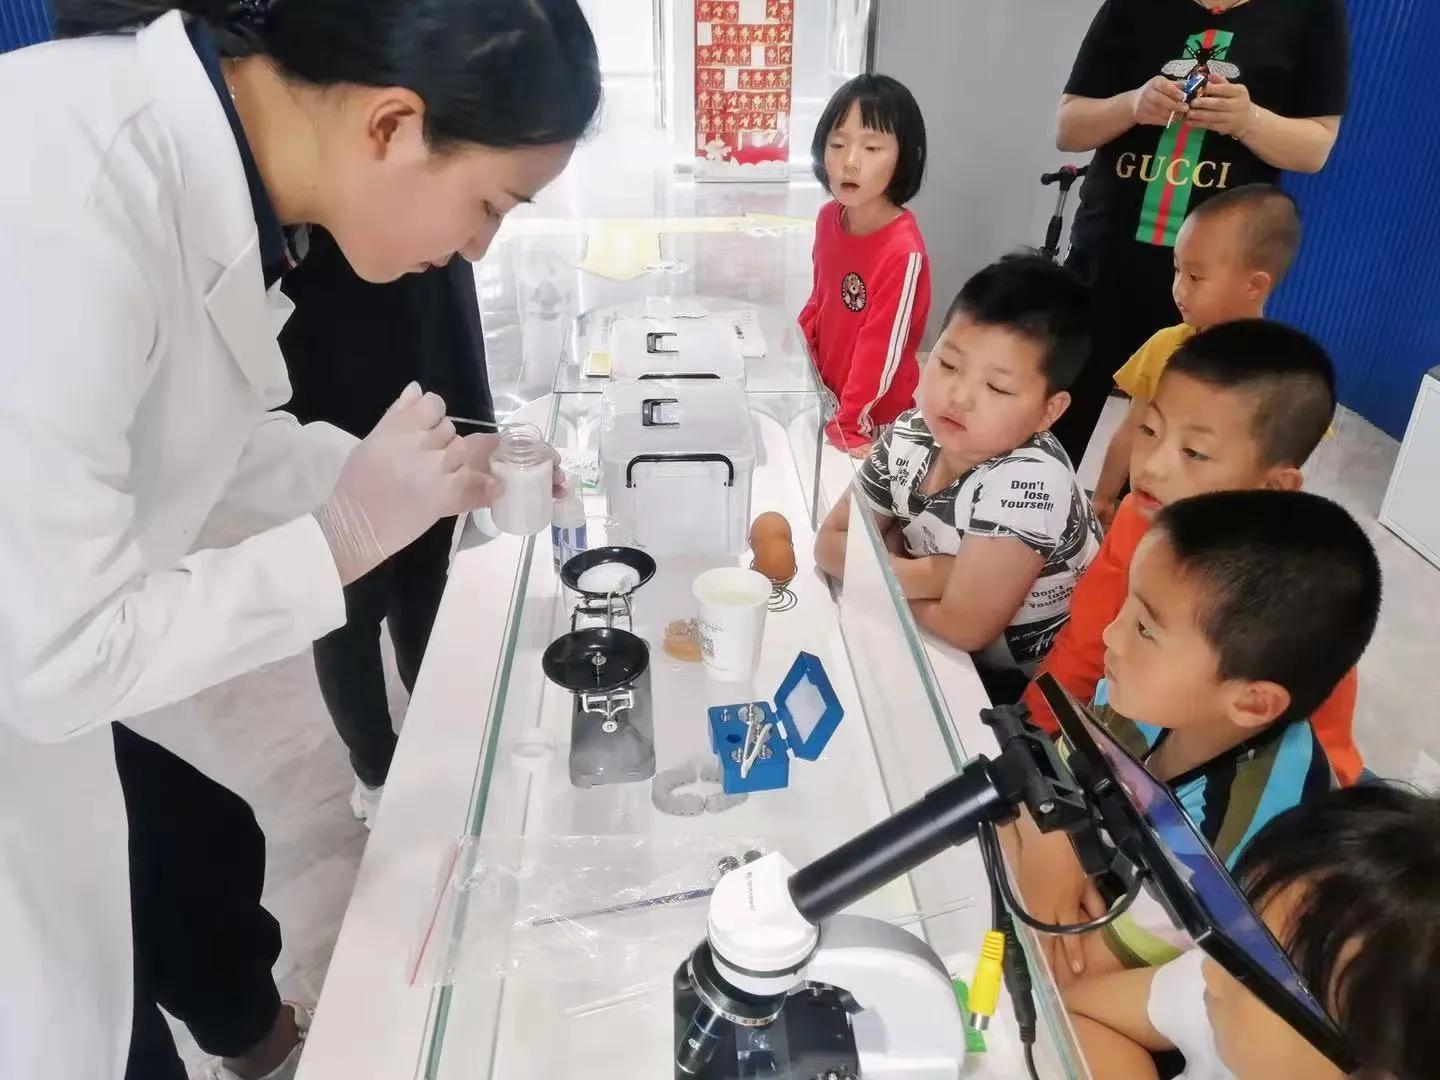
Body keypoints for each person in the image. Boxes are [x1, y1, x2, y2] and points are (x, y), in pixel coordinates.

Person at [0, 3, 599, 1079]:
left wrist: (416, 482)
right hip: (30, 708)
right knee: (88, 1015)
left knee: (180, 869)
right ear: (392, 125)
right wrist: (339, 539)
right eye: (488, 206)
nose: (478, 247)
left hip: (50, 718)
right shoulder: (69, 195)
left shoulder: (218, 182)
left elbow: (202, 446)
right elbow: (55, 657)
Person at [1014, 489, 1381, 992]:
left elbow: (1074, 972)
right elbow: (1034, 780)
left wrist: (1044, 835)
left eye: (1145, 629)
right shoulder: (1153, 697)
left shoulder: (1240, 833)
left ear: (1252, 702)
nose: (1111, 636)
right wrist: (1050, 837)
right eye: (1127, 606)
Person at [1021, 320, 1365, 786]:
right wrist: (1029, 738)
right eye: (1149, 429)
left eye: (1195, 453)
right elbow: (1084, 647)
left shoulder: (1301, 595)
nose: (1152, 466)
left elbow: (1325, 766)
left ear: (1273, 486)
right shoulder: (1141, 516)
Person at [1047, 0, 1349, 468]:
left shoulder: (1312, 11)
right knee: (1057, 417)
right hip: (1107, 253)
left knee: (1178, 442)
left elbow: (1315, 149)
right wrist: (1133, 105)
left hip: (1217, 277)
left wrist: (1248, 120)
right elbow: (1068, 128)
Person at [280, 228, 495, 826]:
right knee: (347, 615)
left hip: (425, 399)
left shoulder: (432, 233)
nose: (477, 242)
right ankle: (376, 769)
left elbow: (454, 303)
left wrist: (475, 419)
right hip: (327, 417)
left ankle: (438, 735)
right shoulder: (306, 231)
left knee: (422, 590)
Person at [815, 254, 1101, 696]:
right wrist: (934, 576)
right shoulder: (912, 431)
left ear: (1049, 410)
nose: (960, 396)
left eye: (997, 387)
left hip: (1030, 690)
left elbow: (966, 628)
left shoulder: (1031, 481)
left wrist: (878, 571)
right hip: (950, 656)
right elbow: (830, 544)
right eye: (948, 363)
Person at [1063, 784, 1440, 1080]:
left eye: (1266, 973)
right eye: (1243, 936)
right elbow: (1083, 1010)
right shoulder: (1221, 994)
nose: (1211, 969)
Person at [1091, 184, 1300, 529]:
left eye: (1195, 276)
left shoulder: (1283, 377)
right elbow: (1130, 432)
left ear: (1254, 285)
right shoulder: (1162, 346)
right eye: (1176, 270)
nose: (1178, 288)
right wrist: (1102, 496)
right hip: (1142, 515)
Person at [798, 73, 930, 456]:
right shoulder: (828, 218)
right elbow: (820, 299)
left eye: (871, 148)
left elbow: (881, 353)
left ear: (905, 157)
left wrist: (850, 424)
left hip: (869, 423)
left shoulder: (903, 253)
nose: (850, 162)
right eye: (837, 144)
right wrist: (801, 354)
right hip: (826, 399)